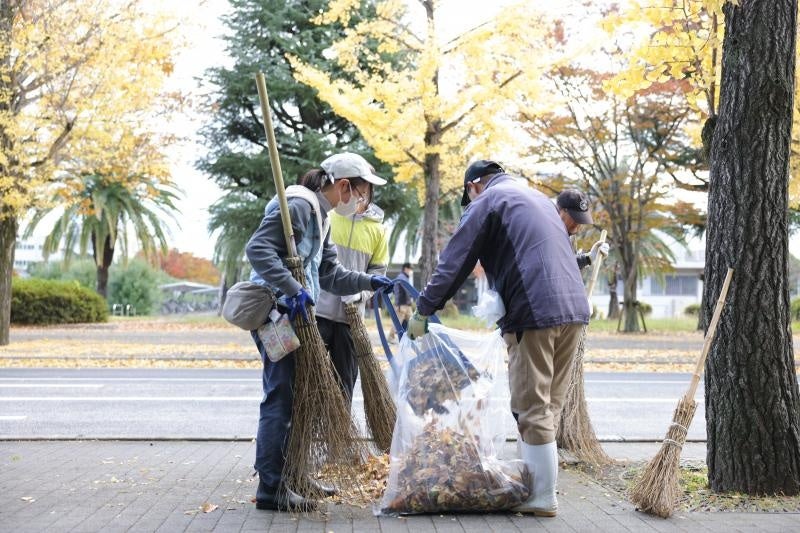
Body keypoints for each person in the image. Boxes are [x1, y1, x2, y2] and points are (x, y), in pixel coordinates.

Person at [407, 159, 590, 517]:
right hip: (575, 311)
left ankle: (542, 497)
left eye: (469, 194)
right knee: (549, 405)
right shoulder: (536, 199)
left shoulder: (489, 202)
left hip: (535, 312)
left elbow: (456, 260)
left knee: (531, 406)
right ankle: (536, 485)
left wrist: (424, 308)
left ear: (475, 185)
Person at [245, 152, 393, 512]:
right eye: (360, 192)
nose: (362, 200)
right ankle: (272, 487)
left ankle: (294, 476)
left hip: (296, 315)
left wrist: (368, 280)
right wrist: (293, 289)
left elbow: (330, 274)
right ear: (344, 186)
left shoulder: (321, 217)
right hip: (276, 316)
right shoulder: (297, 205)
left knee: (295, 398)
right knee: (281, 397)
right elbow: (258, 249)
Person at [313, 154, 390, 407]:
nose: (363, 196)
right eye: (361, 189)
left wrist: (359, 295)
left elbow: (378, 275)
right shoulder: (329, 216)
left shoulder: (378, 231)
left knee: (344, 385)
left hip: (350, 320)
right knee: (310, 382)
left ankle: (339, 436)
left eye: (367, 192)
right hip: (318, 314)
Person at [556, 189, 609, 270]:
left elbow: (568, 265)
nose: (578, 224)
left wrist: (589, 258)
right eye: (575, 218)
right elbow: (556, 266)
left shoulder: (570, 237)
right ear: (562, 211)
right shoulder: (546, 235)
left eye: (581, 220)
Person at [388, 262, 414, 342]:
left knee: (412, 321)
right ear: (406, 269)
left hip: (406, 305)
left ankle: (412, 338)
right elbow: (404, 291)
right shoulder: (402, 277)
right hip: (402, 305)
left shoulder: (404, 277)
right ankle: (390, 337)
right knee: (397, 323)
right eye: (410, 269)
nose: (411, 271)